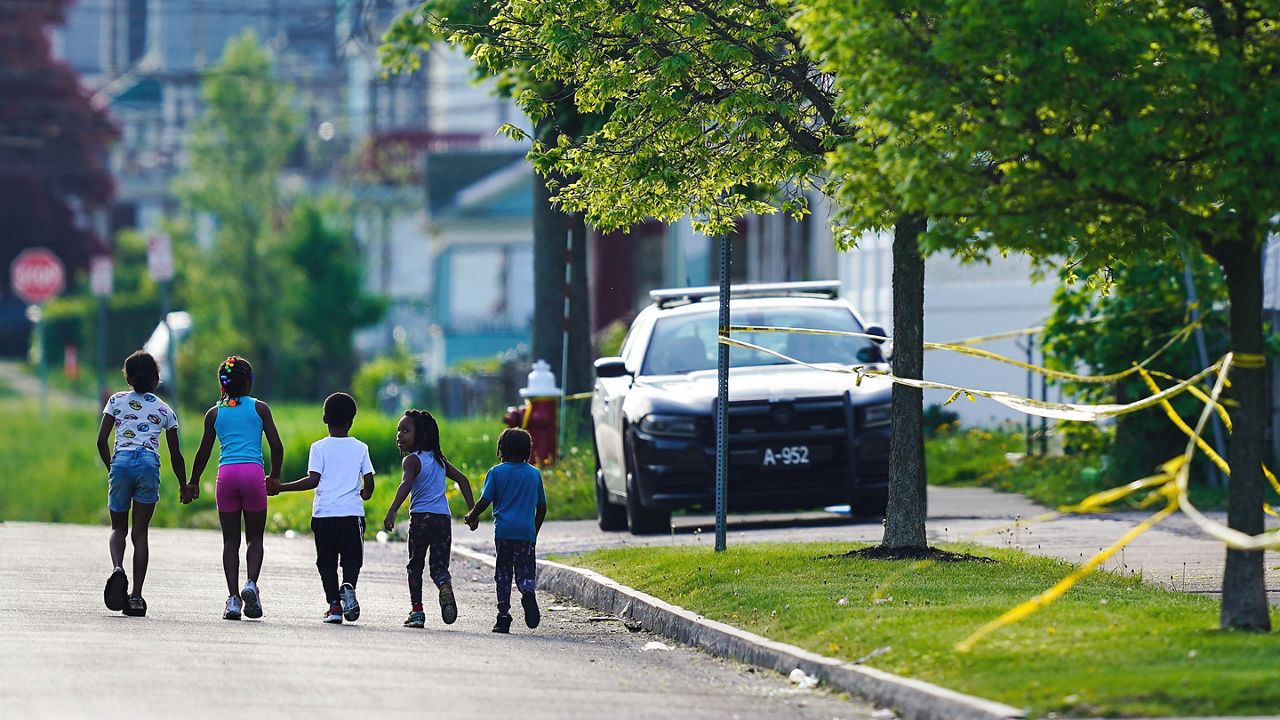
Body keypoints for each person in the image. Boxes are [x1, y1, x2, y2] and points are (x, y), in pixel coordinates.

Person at [94, 351, 188, 617]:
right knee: (140, 533)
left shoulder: (116, 400)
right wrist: (184, 485)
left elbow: (101, 441)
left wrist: (112, 467)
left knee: (118, 528)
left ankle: (117, 568)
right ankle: (135, 597)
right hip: (148, 464)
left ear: (128, 378)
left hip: (121, 461)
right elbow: (176, 456)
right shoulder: (165, 410)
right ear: (157, 378)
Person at [189, 356, 283, 620]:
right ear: (249, 383)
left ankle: (233, 600)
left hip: (226, 476)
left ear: (222, 384)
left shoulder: (214, 413)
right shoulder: (260, 409)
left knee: (230, 540)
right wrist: (274, 476)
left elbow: (203, 451)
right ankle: (251, 583)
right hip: (253, 475)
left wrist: (193, 482)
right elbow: (277, 446)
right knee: (255, 538)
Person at [268, 393, 374, 624]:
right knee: (352, 558)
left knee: (326, 561)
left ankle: (334, 606)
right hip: (352, 514)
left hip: (325, 515)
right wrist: (365, 494)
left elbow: (312, 480)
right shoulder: (361, 447)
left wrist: (282, 487)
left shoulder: (318, 448)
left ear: (324, 418)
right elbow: (369, 481)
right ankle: (349, 586)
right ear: (352, 421)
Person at [383, 409, 475, 629]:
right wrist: (472, 510)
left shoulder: (412, 461)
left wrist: (393, 510)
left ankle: (417, 612)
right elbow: (462, 480)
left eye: (405, 430)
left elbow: (405, 485)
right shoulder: (439, 460)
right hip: (443, 519)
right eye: (398, 430)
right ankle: (444, 585)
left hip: (421, 519)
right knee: (439, 567)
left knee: (415, 566)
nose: (399, 435)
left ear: (421, 434)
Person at [463, 428, 546, 634]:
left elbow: (485, 500)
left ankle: (503, 617)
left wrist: (472, 515)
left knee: (503, 573)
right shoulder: (534, 474)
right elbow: (542, 507)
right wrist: (533, 531)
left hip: (504, 532)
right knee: (525, 571)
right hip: (526, 533)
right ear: (528, 450)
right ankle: (527, 592)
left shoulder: (496, 472)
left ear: (501, 449)